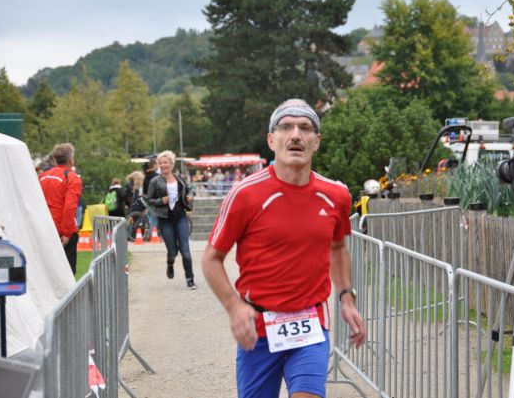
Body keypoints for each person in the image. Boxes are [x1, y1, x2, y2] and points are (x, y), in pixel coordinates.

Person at [202, 99, 365, 398]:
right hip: (259, 327)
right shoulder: (245, 194)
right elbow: (211, 259)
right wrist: (234, 307)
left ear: (317, 141)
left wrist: (346, 297)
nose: (295, 135)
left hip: (311, 324)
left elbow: (338, 246)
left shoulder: (336, 195)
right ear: (271, 140)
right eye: (286, 127)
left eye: (305, 128)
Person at [147, 150, 197, 290]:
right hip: (165, 220)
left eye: (166, 162)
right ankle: (170, 263)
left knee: (185, 250)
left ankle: (190, 279)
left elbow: (190, 189)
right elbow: (148, 200)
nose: (163, 165)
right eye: (161, 163)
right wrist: (160, 201)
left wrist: (190, 196)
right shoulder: (155, 181)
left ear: (172, 164)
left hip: (180, 217)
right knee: (173, 251)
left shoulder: (180, 179)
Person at [39, 143, 83, 274]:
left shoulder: (42, 176)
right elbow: (69, 207)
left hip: (43, 229)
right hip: (62, 231)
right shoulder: (71, 177)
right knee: (67, 273)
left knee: (46, 272)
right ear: (71, 160)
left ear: (54, 159)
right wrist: (67, 232)